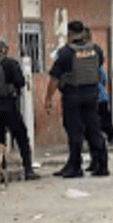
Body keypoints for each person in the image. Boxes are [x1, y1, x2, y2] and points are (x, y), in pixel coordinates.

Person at [43, 21, 108, 179]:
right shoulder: (96, 49)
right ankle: (101, 164)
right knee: (93, 128)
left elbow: (54, 79)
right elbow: (99, 67)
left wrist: (48, 98)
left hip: (73, 95)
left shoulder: (66, 52)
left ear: (69, 33)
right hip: (92, 95)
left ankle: (75, 167)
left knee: (74, 131)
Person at [0, 38, 36, 181]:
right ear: (3, 49)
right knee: (21, 137)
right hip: (8, 105)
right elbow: (21, 82)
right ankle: (28, 169)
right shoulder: (10, 63)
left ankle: (2, 173)